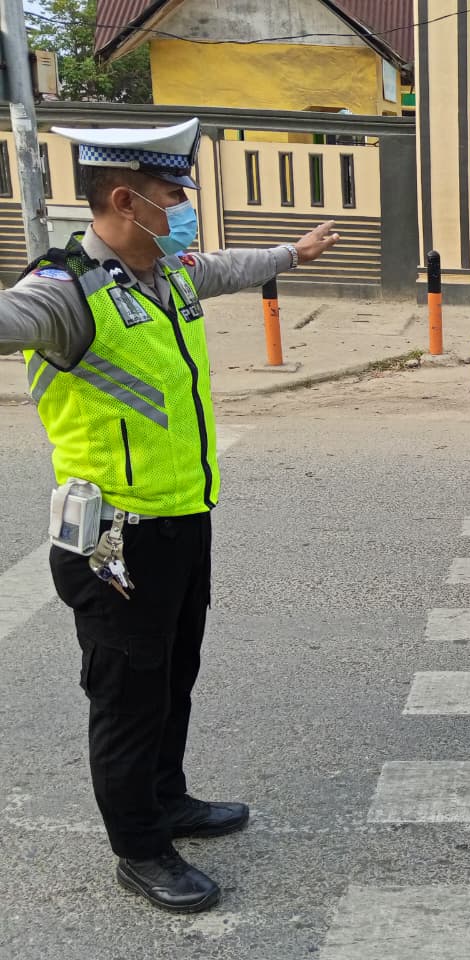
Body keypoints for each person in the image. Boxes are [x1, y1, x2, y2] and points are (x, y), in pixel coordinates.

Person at [0, 118, 339, 912]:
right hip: (112, 539)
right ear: (126, 200)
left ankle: (167, 796)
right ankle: (140, 849)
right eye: (173, 194)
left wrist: (292, 254)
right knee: (127, 696)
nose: (185, 208)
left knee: (172, 676)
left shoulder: (167, 274)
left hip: (183, 521)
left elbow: (224, 266)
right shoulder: (64, 291)